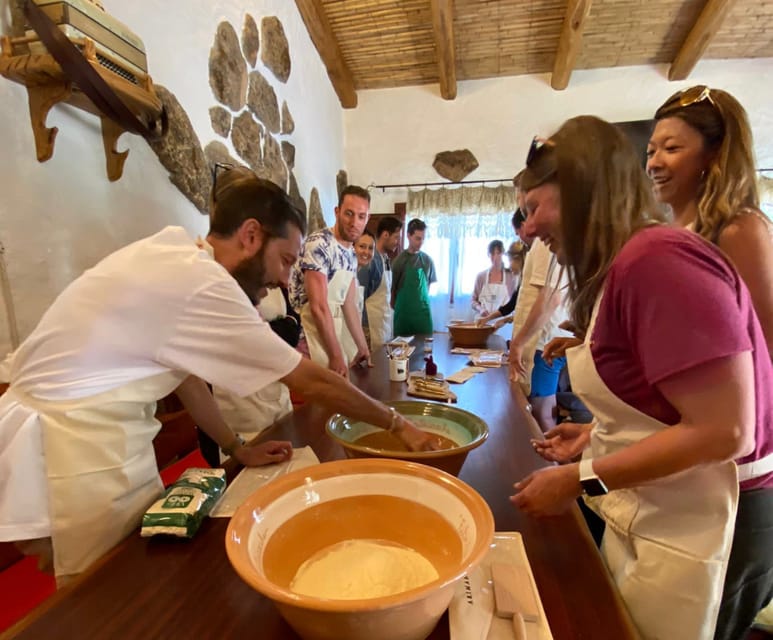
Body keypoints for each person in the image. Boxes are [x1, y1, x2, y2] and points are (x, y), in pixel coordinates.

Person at [0, 166, 437, 581]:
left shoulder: (179, 255)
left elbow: (183, 373)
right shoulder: (204, 283)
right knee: (106, 591)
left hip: (93, 430)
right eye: (285, 260)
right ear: (250, 235)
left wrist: (235, 447)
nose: (286, 280)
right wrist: (398, 423)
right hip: (72, 439)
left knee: (143, 569)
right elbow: (308, 379)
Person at [510, 117, 773, 640]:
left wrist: (582, 476)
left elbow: (726, 430)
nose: (528, 229)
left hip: (719, 515)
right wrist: (593, 434)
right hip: (667, 506)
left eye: (534, 208)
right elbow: (661, 403)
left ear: (584, 188)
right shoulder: (625, 265)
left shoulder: (656, 259)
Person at [647, 85, 773, 359]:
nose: (653, 164)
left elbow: (766, 341)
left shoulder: (738, 229)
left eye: (671, 148)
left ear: (713, 154)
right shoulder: (671, 232)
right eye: (650, 151)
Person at [507, 173, 573, 432]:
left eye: (528, 202)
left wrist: (519, 343)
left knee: (541, 413)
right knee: (544, 409)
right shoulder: (547, 239)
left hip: (543, 343)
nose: (522, 205)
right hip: (546, 340)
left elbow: (550, 298)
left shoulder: (546, 241)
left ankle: (552, 467)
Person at [289, 185, 372, 376]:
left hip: (328, 335)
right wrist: (336, 355)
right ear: (337, 212)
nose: (354, 222)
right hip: (305, 338)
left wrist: (363, 347)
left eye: (361, 216)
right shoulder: (319, 244)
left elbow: (348, 304)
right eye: (349, 214)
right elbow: (318, 306)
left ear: (367, 218)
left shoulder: (351, 254)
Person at [210, 285, 299, 458]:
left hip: (279, 394)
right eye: (285, 260)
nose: (266, 291)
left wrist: (268, 330)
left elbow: (293, 329)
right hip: (244, 405)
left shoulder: (271, 281)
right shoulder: (219, 286)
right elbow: (247, 340)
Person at [359, 216, 402, 349]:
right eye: (396, 237)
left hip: (383, 325)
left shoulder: (385, 259)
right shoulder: (371, 262)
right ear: (385, 235)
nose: (397, 242)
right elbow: (360, 300)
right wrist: (363, 333)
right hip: (370, 329)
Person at [391, 218, 436, 336]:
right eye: (417, 238)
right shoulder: (398, 261)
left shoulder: (428, 261)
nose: (420, 242)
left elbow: (427, 288)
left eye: (423, 239)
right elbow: (392, 291)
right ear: (408, 236)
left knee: (425, 351)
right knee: (401, 352)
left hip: (423, 316)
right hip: (403, 318)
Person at [341, 229, 374, 360]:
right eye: (362, 246)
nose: (366, 252)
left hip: (353, 345)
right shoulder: (344, 275)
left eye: (371, 248)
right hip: (342, 343)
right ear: (352, 247)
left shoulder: (356, 277)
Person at [471, 240, 518, 319]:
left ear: (503, 254)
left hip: (503, 323)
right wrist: (481, 309)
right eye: (492, 254)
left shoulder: (511, 276)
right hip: (483, 321)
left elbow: (514, 302)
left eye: (498, 253)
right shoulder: (481, 276)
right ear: (488, 255)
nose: (495, 257)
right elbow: (473, 301)